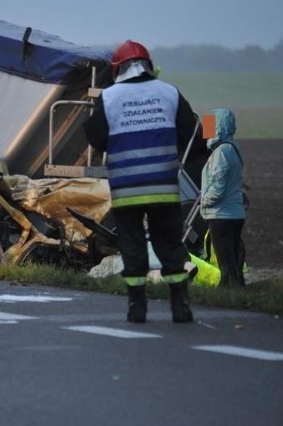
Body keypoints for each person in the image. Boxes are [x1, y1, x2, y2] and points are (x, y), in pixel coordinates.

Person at [83, 40, 198, 323]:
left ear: (117, 69)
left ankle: (137, 308)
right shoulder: (170, 92)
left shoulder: (109, 98)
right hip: (164, 187)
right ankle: (180, 306)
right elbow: (190, 130)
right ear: (149, 65)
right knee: (170, 245)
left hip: (127, 189)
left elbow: (94, 136)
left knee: (132, 245)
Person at [200, 108, 246, 287]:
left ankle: (230, 293)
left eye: (211, 125)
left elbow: (218, 186)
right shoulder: (231, 147)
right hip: (232, 213)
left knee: (226, 263)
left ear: (220, 126)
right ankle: (236, 289)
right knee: (232, 260)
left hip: (222, 215)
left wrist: (204, 201)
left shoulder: (222, 152)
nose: (207, 129)